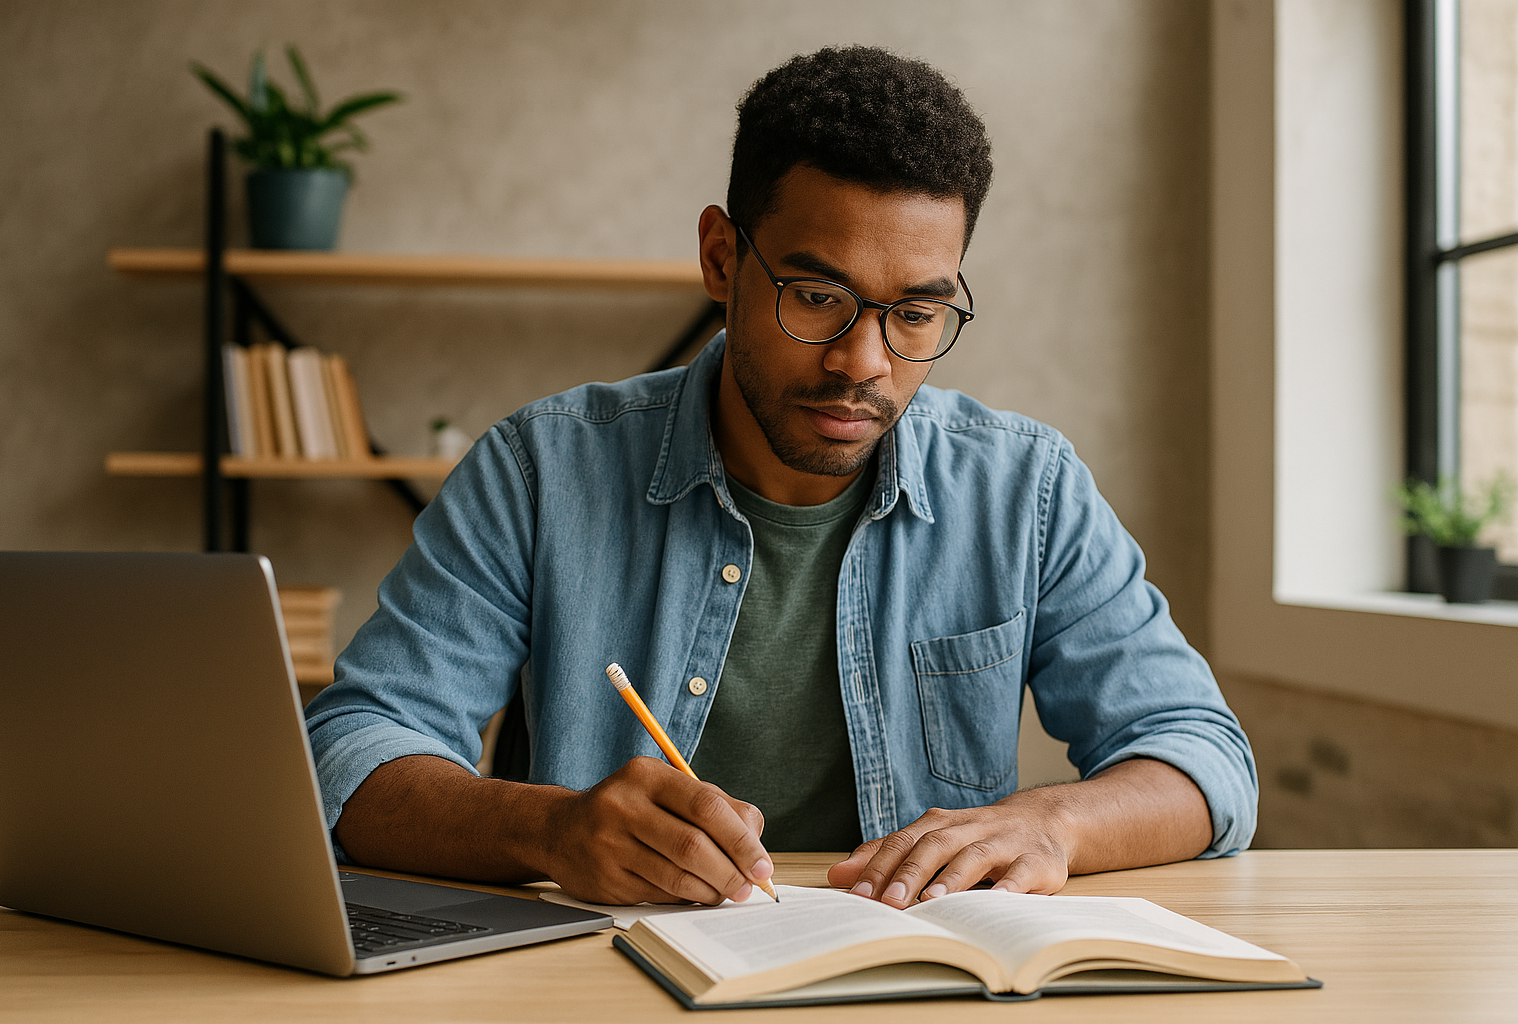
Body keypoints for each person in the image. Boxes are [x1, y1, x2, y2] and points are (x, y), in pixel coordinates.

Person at [307, 45, 1256, 909]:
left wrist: (1055, 823)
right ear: (723, 259)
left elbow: (1204, 757)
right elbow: (348, 751)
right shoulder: (540, 471)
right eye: (817, 297)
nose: (864, 362)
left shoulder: (1026, 491)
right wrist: (548, 829)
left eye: (917, 313)